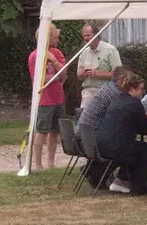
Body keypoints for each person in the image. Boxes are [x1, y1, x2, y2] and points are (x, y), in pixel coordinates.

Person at [92, 71, 147, 195]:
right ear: (132, 89)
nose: (143, 92)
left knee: (135, 147)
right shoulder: (135, 103)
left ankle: (121, 181)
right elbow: (145, 127)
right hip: (116, 148)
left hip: (102, 145)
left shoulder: (117, 99)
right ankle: (138, 186)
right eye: (141, 89)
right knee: (144, 149)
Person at [27, 26, 67, 171]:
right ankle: (37, 164)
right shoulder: (34, 56)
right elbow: (38, 79)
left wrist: (54, 61)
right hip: (44, 99)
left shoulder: (57, 53)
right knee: (41, 130)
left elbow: (64, 74)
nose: (57, 39)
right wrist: (54, 76)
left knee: (55, 130)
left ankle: (51, 162)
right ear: (47, 37)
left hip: (58, 97)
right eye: (55, 37)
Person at [76, 23, 121, 103]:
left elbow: (119, 74)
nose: (85, 38)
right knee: (85, 115)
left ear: (96, 34)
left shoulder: (110, 50)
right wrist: (81, 74)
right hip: (87, 93)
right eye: (84, 36)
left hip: (106, 92)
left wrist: (97, 74)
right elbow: (79, 76)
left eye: (88, 35)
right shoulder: (84, 53)